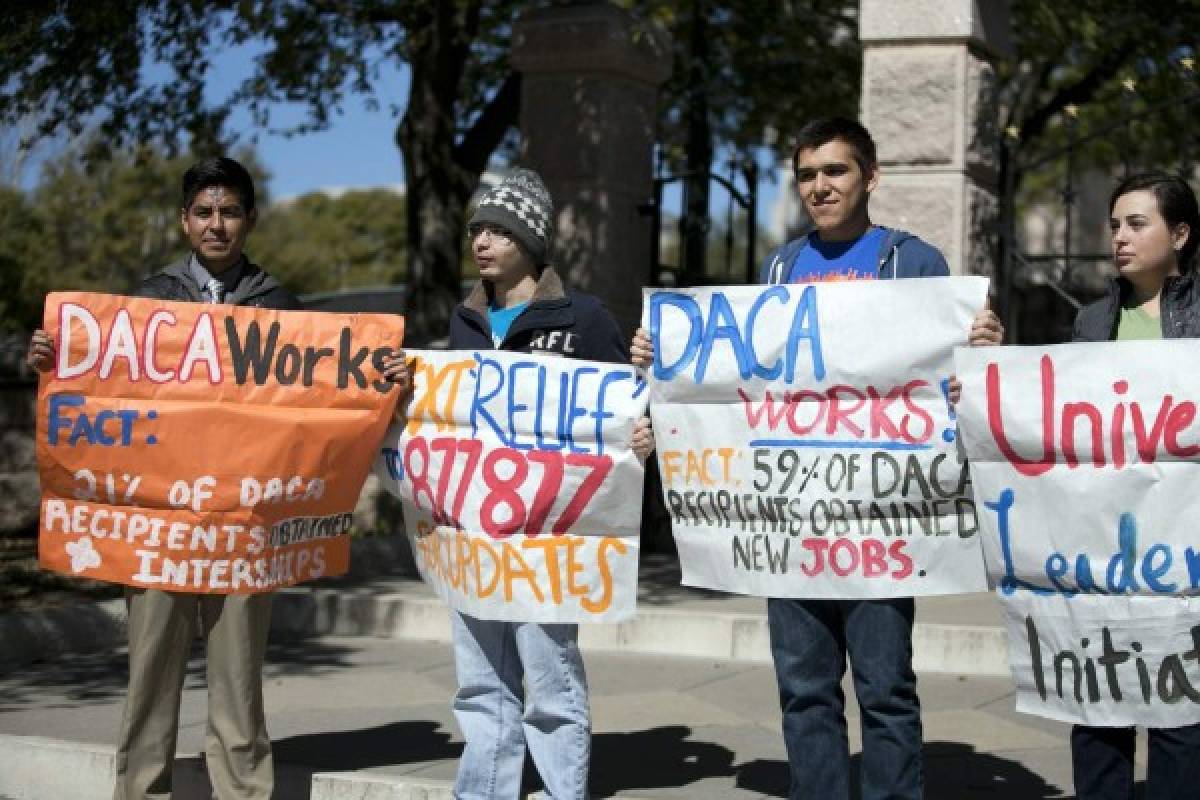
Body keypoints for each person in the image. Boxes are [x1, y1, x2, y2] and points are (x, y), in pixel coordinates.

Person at [631, 116, 1002, 800]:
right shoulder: (780, 266)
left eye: (835, 171)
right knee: (804, 689)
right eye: (807, 175)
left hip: (881, 525)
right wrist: (665, 359)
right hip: (791, 524)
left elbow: (956, 384)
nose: (819, 187)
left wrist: (981, 350)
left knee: (885, 688)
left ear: (871, 177)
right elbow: (738, 383)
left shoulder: (912, 263)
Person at [27, 156, 407, 800]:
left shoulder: (283, 308)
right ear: (183, 222)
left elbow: (324, 408)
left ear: (250, 220)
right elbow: (94, 390)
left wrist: (384, 381)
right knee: (150, 677)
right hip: (158, 531)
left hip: (244, 531)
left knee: (238, 682)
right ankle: (140, 790)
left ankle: (242, 792)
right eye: (204, 212)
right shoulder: (146, 304)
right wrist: (50, 358)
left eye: (230, 212)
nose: (217, 224)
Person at [391, 168, 651, 800]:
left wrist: (642, 430)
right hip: (475, 535)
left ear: (530, 240)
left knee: (550, 673)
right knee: (479, 676)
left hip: (549, 540)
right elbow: (446, 417)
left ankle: (564, 789)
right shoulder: (464, 321)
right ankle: (484, 789)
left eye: (498, 230)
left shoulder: (584, 318)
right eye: (477, 227)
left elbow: (622, 410)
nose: (481, 241)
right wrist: (406, 389)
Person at [1068, 170, 1200, 800]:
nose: (1120, 236)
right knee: (1099, 706)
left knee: (1180, 712)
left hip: (1186, 549)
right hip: (1103, 546)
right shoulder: (1092, 322)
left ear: (1180, 233)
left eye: (1136, 223)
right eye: (1115, 224)